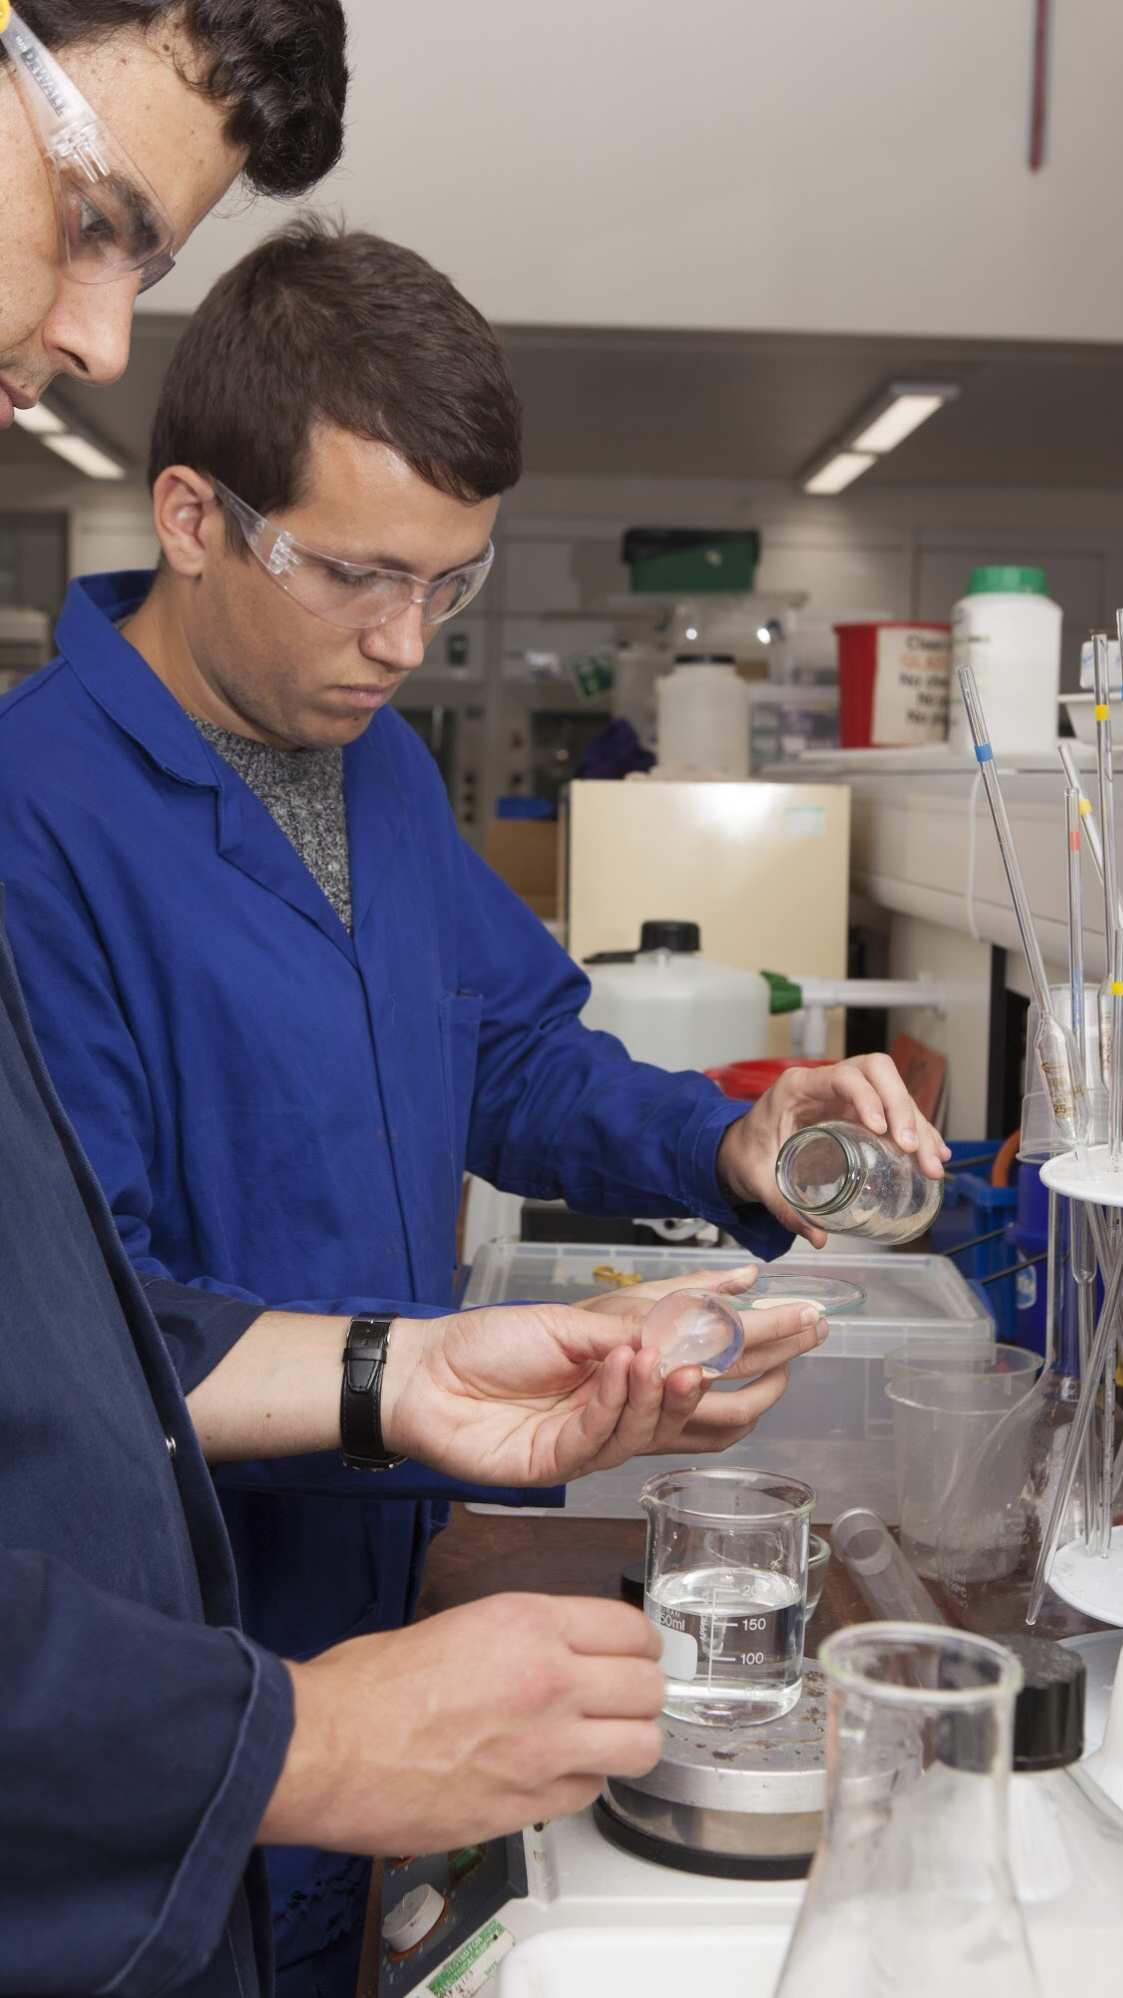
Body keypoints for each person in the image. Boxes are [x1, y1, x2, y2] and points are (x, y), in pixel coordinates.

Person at [0, 211, 949, 1990]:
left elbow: (507, 1048)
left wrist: (721, 1137)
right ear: (193, 516)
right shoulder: (33, 821)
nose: (405, 640)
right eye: (358, 574)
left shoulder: (371, 773)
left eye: (451, 583)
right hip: (177, 1651)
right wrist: (392, 1385)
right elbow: (97, 1341)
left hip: (396, 1550)